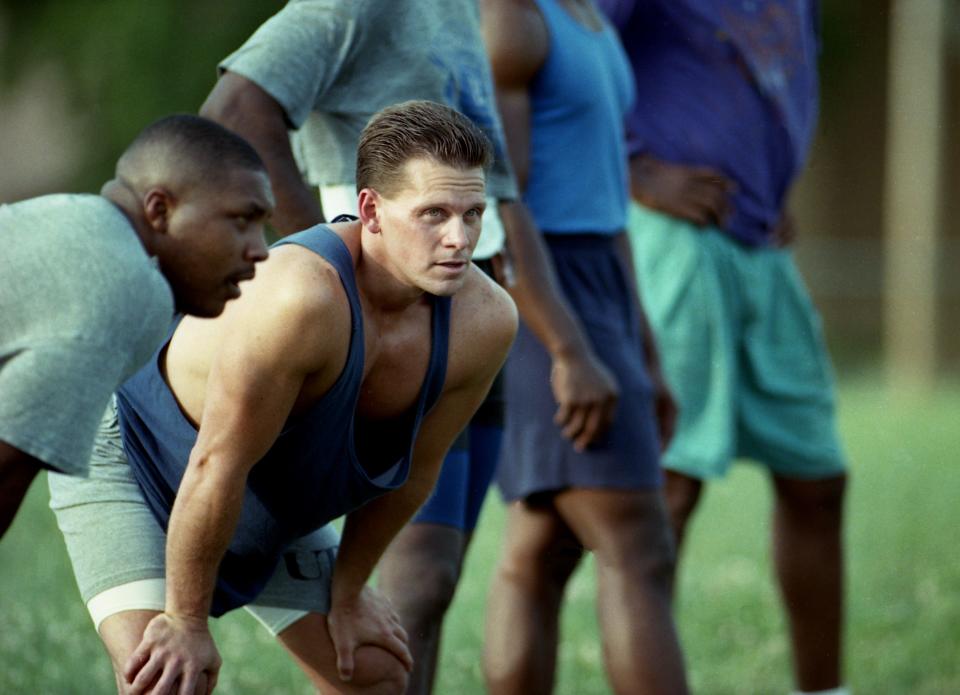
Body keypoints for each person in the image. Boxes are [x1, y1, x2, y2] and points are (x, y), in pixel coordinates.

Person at [199, 3, 619, 692]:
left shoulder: (462, 14)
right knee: (412, 578)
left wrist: (568, 346)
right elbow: (236, 108)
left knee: (437, 578)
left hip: (468, 323)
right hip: (389, 330)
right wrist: (341, 277)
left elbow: (504, 205)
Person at [49, 100, 517, 695]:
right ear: (371, 211)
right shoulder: (301, 296)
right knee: (168, 679)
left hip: (262, 486)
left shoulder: (487, 320)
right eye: (434, 214)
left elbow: (418, 472)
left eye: (473, 214)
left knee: (374, 673)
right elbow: (217, 461)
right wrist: (185, 620)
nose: (459, 239)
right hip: (134, 454)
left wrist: (349, 590)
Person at [596, 2, 849, 694]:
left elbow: (778, 80)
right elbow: (566, 51)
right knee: (670, 487)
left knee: (818, 480)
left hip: (761, 244)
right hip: (674, 238)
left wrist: (772, 179)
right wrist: (637, 169)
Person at [479, 1, 689, 694]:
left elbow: (608, 200)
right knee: (639, 546)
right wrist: (568, 348)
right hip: (548, 288)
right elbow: (503, 203)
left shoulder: (589, 16)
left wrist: (644, 352)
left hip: (601, 278)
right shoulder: (514, 19)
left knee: (539, 549)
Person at [0, 114, 272, 540]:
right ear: (160, 210)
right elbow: (7, 467)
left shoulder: (72, 219)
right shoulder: (126, 285)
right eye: (241, 220)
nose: (260, 250)